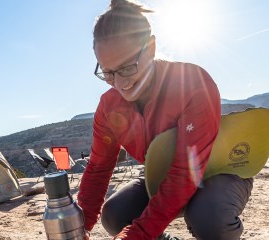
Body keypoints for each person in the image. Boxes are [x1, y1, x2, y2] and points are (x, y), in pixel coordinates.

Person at [77, 0, 253, 239]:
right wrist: (79, 227)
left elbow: (185, 173)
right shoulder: (109, 107)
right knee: (115, 214)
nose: (120, 84)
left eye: (127, 67)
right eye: (107, 72)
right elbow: (98, 168)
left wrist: (137, 234)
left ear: (150, 48)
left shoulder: (192, 82)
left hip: (218, 171)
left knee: (211, 218)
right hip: (161, 174)